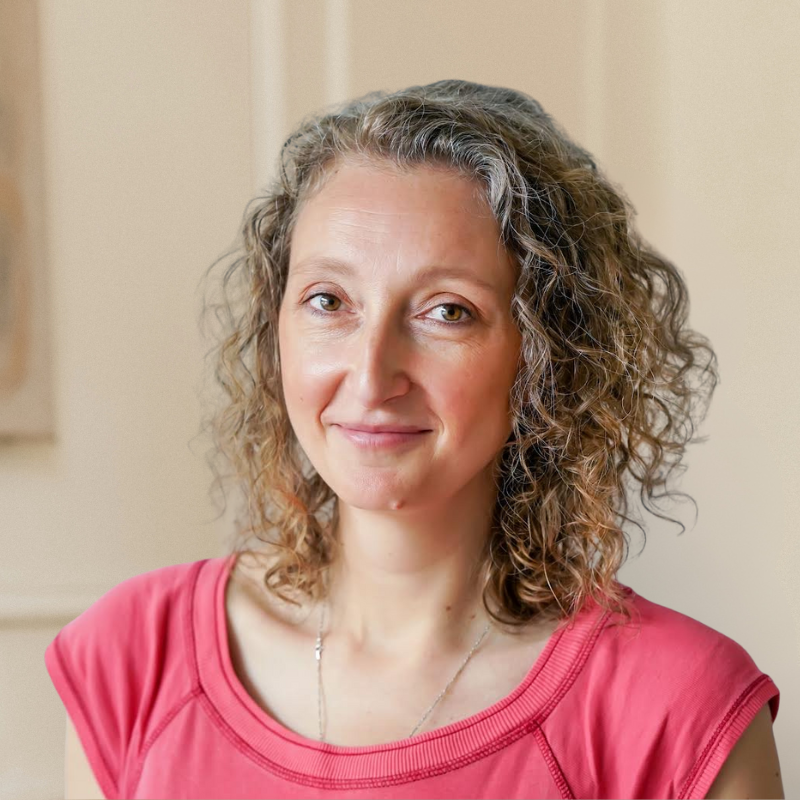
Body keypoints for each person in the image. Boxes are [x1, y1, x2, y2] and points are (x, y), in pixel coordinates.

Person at [45, 79, 783, 799]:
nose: (371, 377)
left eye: (447, 311)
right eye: (328, 300)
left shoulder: (681, 711)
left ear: (547, 355)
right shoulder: (133, 658)